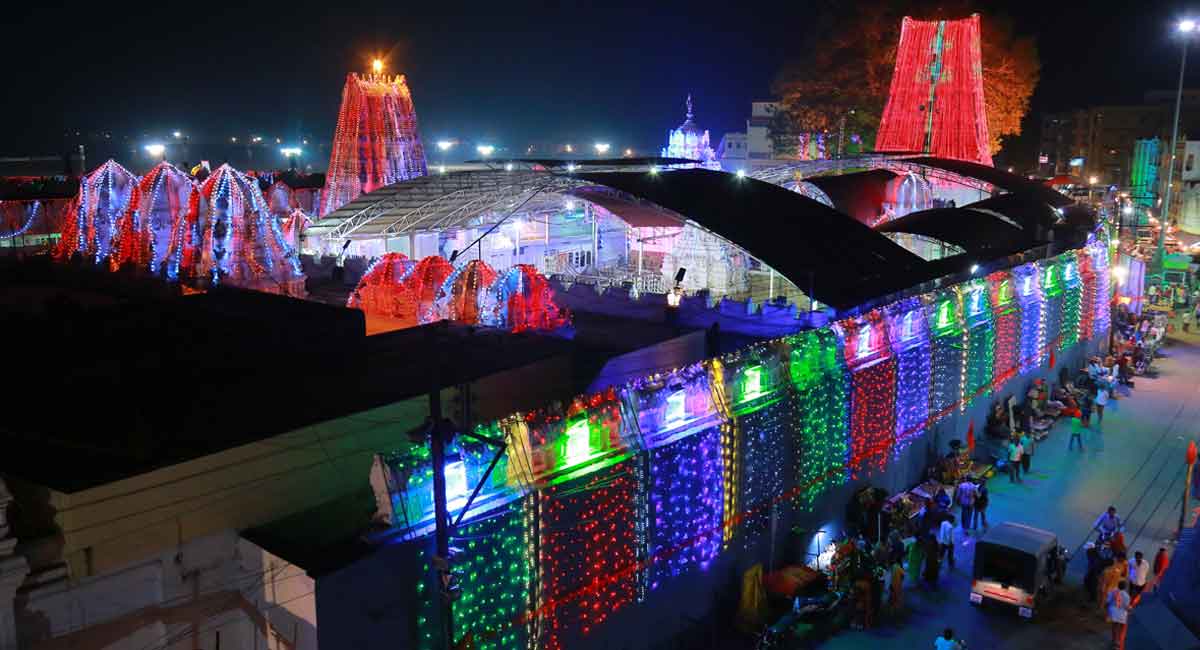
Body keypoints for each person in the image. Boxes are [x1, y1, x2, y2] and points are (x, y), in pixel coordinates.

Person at [1106, 580, 1131, 650]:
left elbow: (1108, 601)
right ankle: (1120, 642)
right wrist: (1130, 609)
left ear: (1118, 585)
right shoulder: (1127, 596)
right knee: (1122, 628)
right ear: (1125, 587)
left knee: (1114, 626)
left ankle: (1114, 640)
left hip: (1113, 612)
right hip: (1122, 614)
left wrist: (1108, 609)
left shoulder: (1112, 592)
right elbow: (1126, 606)